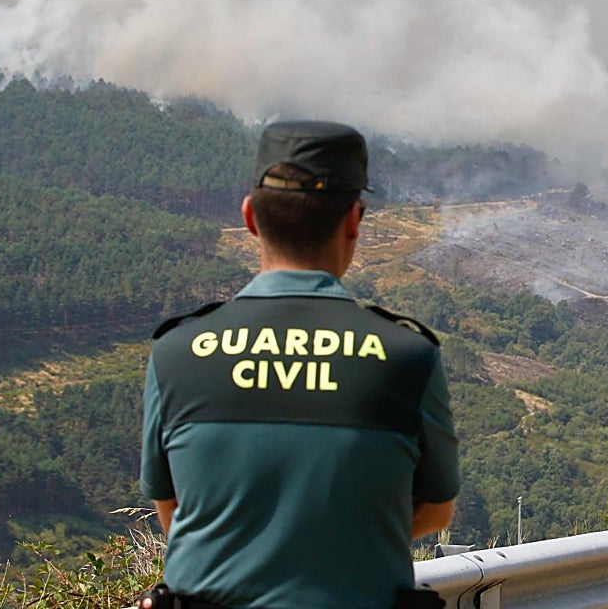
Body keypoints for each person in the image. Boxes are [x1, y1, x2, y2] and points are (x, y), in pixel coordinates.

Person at [139, 120, 459, 609]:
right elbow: (436, 510)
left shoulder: (177, 353)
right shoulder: (407, 356)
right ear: (353, 220)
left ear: (250, 217)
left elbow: (174, 512)